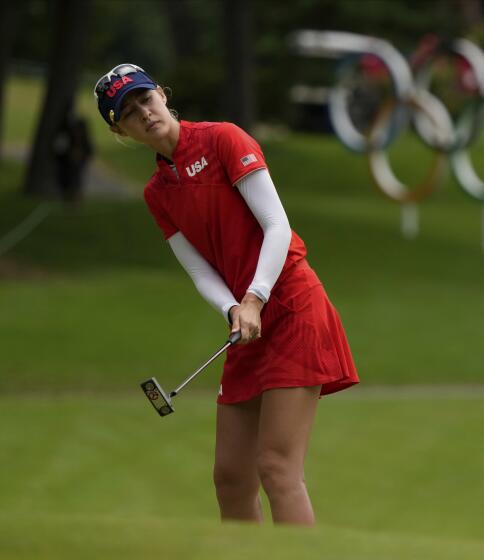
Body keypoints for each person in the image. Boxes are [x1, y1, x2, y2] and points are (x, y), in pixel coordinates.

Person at [92, 63, 359, 525]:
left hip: (292, 305)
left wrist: (254, 296)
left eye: (146, 99)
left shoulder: (223, 140)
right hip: (249, 323)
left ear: (161, 93)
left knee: (277, 468)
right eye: (130, 112)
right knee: (231, 478)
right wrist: (233, 307)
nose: (145, 114)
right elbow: (199, 270)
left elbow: (277, 225)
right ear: (120, 129)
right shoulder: (157, 192)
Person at [52, 102, 93, 203]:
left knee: (76, 180)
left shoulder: (81, 124)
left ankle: (75, 200)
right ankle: (67, 199)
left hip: (78, 159)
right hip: (66, 159)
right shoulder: (63, 126)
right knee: (65, 179)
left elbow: (87, 143)